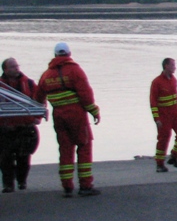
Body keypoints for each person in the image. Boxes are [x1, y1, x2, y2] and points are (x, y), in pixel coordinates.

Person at [34, 42, 101, 197]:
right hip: (76, 114)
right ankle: (85, 186)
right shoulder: (75, 71)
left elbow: (38, 98)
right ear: (69, 54)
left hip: (58, 115)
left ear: (55, 55)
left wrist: (36, 116)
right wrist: (94, 111)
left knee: (65, 149)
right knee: (84, 146)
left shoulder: (46, 75)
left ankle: (67, 187)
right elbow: (85, 94)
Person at [0, 58, 42, 193]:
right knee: (5, 158)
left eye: (17, 66)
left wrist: (38, 117)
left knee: (23, 157)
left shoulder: (28, 83)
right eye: (13, 66)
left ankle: (22, 181)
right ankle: (8, 185)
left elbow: (40, 99)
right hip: (5, 128)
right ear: (5, 70)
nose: (16, 68)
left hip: (25, 127)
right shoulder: (1, 86)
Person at [150, 57, 177, 172]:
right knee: (164, 138)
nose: (175, 67)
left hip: (175, 113)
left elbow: (176, 96)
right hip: (163, 115)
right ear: (166, 66)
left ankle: (174, 156)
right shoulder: (157, 82)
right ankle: (159, 164)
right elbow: (153, 102)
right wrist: (157, 119)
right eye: (173, 65)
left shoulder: (174, 80)